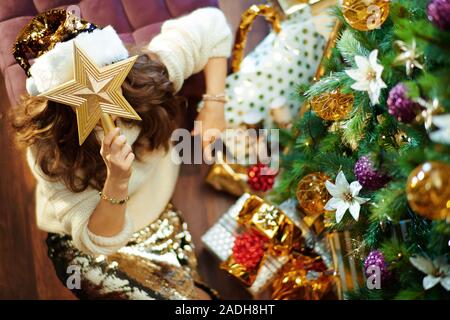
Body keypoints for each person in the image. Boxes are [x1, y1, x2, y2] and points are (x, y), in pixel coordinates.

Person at [11, 7, 232, 300]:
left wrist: (214, 105)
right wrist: (117, 180)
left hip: (155, 219)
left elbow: (212, 24)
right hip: (88, 245)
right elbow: (96, 240)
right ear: (59, 105)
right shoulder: (50, 147)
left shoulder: (145, 80)